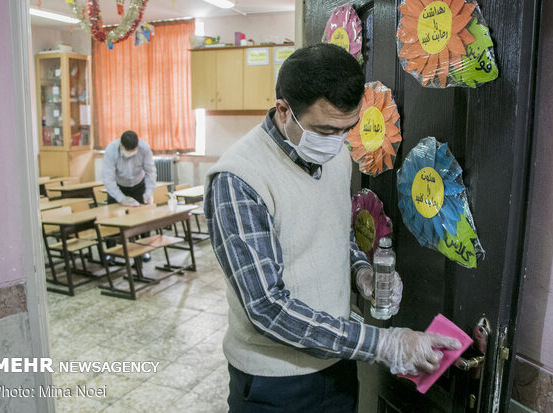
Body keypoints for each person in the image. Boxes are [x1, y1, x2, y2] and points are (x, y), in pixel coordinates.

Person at [204, 43, 461, 413]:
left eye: (347, 129)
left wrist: (361, 272)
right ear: (283, 110)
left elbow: (334, 231)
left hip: (337, 360)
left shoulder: (336, 153)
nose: (338, 141)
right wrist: (383, 345)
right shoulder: (239, 179)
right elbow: (267, 307)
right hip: (274, 382)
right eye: (326, 130)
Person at [102, 130, 156, 261]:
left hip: (138, 185)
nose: (130, 153)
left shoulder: (144, 148)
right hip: (119, 186)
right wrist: (121, 198)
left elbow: (150, 171)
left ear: (137, 145)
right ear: (121, 145)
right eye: (127, 150)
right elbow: (108, 179)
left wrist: (149, 192)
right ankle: (111, 252)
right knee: (112, 220)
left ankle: (144, 250)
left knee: (143, 218)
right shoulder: (111, 150)